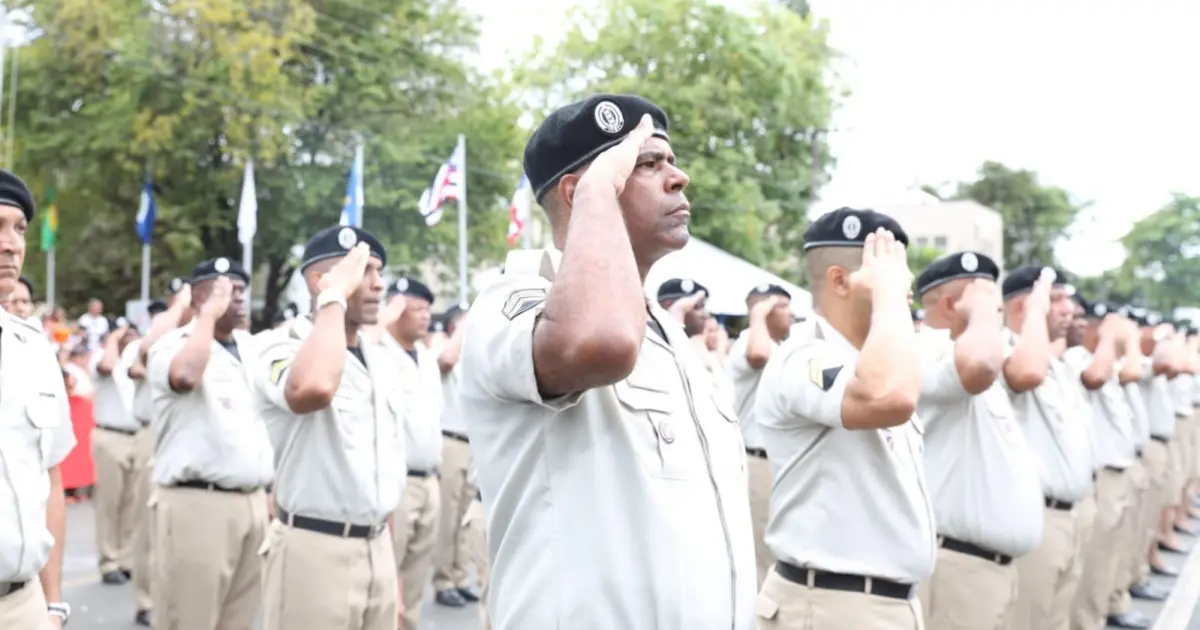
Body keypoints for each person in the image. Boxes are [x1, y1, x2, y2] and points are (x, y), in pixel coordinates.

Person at [458, 94, 755, 630]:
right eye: (646, 163)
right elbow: (601, 343)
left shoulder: (667, 331)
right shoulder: (513, 302)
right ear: (578, 192)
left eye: (670, 160)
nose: (679, 177)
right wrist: (599, 186)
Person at [754, 208, 931, 629]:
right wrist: (888, 297)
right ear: (839, 280)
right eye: (889, 270)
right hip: (832, 605)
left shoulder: (873, 359)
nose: (904, 284)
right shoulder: (804, 356)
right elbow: (888, 397)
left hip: (879, 604)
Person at [252, 226, 405, 630]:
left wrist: (392, 574)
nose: (378, 283)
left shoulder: (380, 356)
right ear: (320, 281)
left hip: (378, 547)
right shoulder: (281, 345)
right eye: (363, 270)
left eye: (378, 271)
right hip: (315, 550)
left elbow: (380, 467)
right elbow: (313, 388)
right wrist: (333, 299)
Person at [911, 251, 1043, 630]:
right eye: (984, 295)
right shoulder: (925, 348)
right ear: (952, 304)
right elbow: (982, 366)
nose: (994, 306)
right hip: (957, 569)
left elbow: (1024, 367)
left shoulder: (975, 351)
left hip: (988, 570)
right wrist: (985, 313)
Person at [146, 258, 273, 630]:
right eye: (225, 290)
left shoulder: (251, 349)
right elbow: (185, 376)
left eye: (241, 290)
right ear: (199, 297)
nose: (238, 297)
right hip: (198, 503)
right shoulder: (173, 345)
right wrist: (206, 317)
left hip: (252, 502)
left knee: (239, 620)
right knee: (191, 619)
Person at [0, 168, 75, 628]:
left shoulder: (33, 347)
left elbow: (50, 480)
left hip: (24, 604)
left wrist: (53, 603)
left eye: (19, 229)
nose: (11, 244)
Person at [1000, 264, 1093, 630]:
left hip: (1067, 516)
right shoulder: (1008, 353)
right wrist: (1037, 310)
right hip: (1037, 515)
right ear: (1023, 307)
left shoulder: (1056, 366)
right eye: (1055, 300)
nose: (1068, 311)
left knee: (1055, 618)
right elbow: (1026, 374)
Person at [1061, 298, 1149, 630]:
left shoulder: (1099, 358)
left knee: (1111, 552)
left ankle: (1105, 609)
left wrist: (1123, 342)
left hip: (1118, 468)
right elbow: (1107, 375)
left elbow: (1129, 370)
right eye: (1081, 319)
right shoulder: (1077, 359)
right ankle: (1089, 621)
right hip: (1100, 475)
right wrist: (1117, 339)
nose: (1082, 324)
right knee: (1095, 560)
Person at [378, 276, 443, 630]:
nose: (424, 317)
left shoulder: (426, 358)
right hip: (398, 484)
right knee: (389, 579)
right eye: (415, 309)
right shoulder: (378, 352)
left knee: (416, 582)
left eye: (426, 310)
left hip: (429, 480)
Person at [726, 283, 793, 587]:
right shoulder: (749, 342)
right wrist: (758, 315)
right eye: (784, 306)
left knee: (774, 552)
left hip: (775, 463)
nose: (792, 314)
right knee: (759, 555)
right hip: (755, 461)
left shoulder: (779, 347)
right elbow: (757, 355)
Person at [431, 305, 481, 608]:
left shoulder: (475, 353)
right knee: (448, 517)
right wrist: (466, 325)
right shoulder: (442, 345)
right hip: (450, 441)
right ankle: (443, 581)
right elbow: (446, 360)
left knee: (465, 517)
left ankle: (461, 577)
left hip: (473, 444)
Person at [90, 319, 142, 586]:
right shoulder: (102, 356)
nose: (128, 336)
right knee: (109, 502)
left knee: (132, 504)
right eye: (123, 333)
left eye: (131, 331)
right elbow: (107, 367)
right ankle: (108, 561)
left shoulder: (138, 359)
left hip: (136, 436)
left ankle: (125, 559)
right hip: (110, 435)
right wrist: (112, 340)